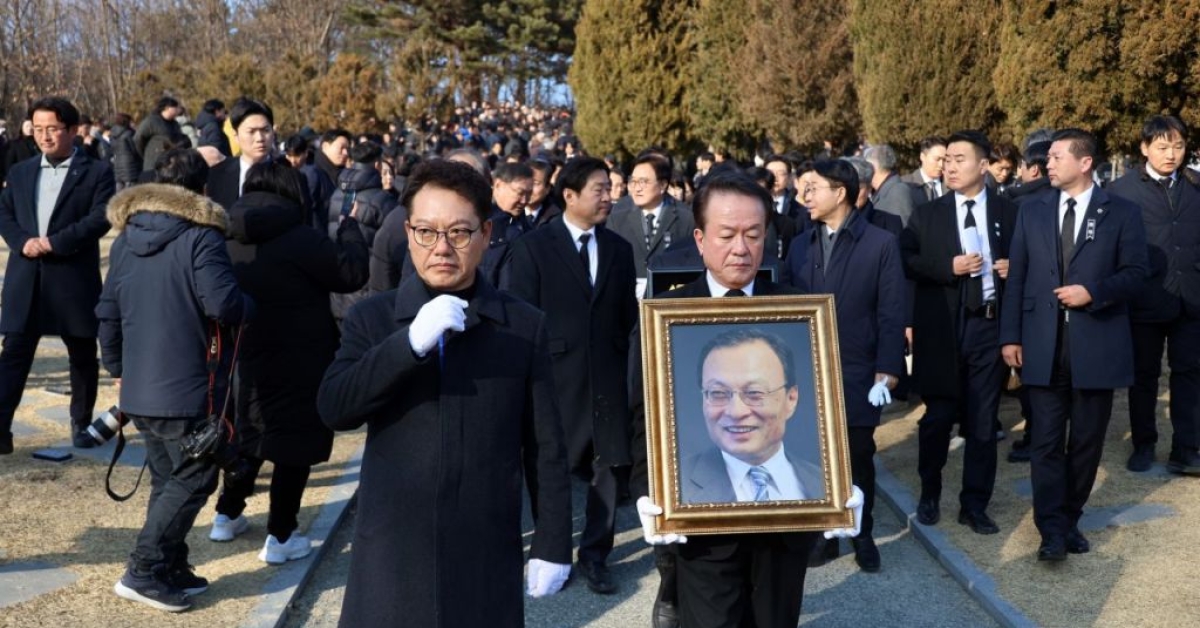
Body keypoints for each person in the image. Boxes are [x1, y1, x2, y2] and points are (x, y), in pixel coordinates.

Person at [317, 160, 572, 627]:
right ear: (408, 232)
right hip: (392, 549)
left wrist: (552, 542)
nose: (442, 248)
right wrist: (407, 345)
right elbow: (336, 407)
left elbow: (546, 447)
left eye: (458, 232)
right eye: (426, 232)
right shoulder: (373, 319)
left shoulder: (522, 325)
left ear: (485, 232)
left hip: (485, 545)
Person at [632, 171, 862, 628]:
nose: (741, 248)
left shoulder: (800, 311)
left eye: (754, 235)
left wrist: (837, 483)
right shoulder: (667, 318)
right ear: (699, 239)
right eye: (727, 235)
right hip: (702, 525)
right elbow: (644, 415)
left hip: (785, 527)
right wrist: (650, 490)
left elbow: (824, 403)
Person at [97, 148, 252, 611]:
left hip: (142, 387)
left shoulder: (126, 238)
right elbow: (223, 304)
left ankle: (170, 565)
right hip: (187, 385)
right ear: (203, 190)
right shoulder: (202, 237)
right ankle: (143, 569)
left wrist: (117, 368)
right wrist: (252, 306)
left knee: (169, 478)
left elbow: (107, 310)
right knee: (195, 477)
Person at [208, 160, 368, 561]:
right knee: (293, 444)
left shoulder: (222, 234)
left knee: (249, 435)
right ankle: (280, 535)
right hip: (301, 354)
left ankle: (226, 515)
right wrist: (349, 228)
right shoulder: (300, 237)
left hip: (242, 353)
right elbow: (350, 273)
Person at [1000, 128, 1148, 561]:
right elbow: (1019, 278)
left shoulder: (1121, 212)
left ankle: (1070, 519)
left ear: (1085, 163)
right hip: (1041, 345)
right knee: (1045, 441)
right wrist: (1010, 335)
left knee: (1086, 442)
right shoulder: (1032, 211)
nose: (1048, 163)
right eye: (1047, 157)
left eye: (1057, 156)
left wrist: (1094, 292)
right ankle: (1050, 530)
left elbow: (1138, 273)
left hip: (1096, 344)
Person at [507, 156, 637, 595]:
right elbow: (521, 317)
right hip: (555, 379)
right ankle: (552, 549)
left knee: (608, 469)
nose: (609, 196)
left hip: (606, 378)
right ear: (570, 196)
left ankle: (597, 556)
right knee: (551, 467)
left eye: (609, 188)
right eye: (600, 189)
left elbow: (623, 316)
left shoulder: (618, 249)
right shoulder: (533, 248)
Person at [786, 159, 906, 572]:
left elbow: (892, 310)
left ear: (840, 192)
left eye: (813, 187)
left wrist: (887, 368)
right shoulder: (801, 244)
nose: (804, 196)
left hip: (857, 368)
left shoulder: (880, 243)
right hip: (807, 370)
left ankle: (862, 531)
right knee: (814, 456)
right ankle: (824, 532)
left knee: (857, 456)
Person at [901, 130, 1018, 535]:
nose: (950, 166)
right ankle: (929, 492)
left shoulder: (1008, 211)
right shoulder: (927, 214)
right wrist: (945, 268)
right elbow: (907, 260)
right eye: (946, 159)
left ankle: (975, 504)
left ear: (983, 166)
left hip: (989, 325)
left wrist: (1011, 269)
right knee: (938, 418)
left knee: (984, 421)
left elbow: (1027, 259)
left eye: (959, 159)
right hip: (943, 330)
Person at [0, 97, 114, 454]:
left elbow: (100, 218)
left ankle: (81, 424)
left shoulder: (96, 172)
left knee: (81, 354)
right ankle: (1, 428)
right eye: (38, 129)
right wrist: (23, 242)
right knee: (14, 352)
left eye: (52, 129)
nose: (44, 137)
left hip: (72, 278)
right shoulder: (20, 171)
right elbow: (4, 214)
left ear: (71, 129)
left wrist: (55, 242)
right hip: (26, 276)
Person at [1108, 116, 1200, 475]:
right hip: (1144, 298)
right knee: (1144, 376)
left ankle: (1186, 447)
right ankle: (1144, 443)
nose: (1171, 154)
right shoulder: (1121, 191)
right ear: (1144, 148)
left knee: (1189, 373)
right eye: (1162, 147)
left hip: (1191, 298)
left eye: (1178, 146)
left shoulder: (1195, 185)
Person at [680, 329, 826, 504]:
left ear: (791, 399)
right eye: (718, 393)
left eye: (754, 393)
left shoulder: (826, 484)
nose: (736, 412)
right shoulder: (674, 486)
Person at [607, 153, 695, 296]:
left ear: (662, 185)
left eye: (643, 182)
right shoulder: (618, 216)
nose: (637, 188)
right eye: (633, 182)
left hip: (670, 298)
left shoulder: (685, 218)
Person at [207, 98, 276, 212]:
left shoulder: (291, 176)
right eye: (251, 132)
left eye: (265, 130)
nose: (260, 138)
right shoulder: (217, 174)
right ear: (236, 136)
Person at [135, 96, 190, 174]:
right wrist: (147, 154)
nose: (178, 110)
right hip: (153, 165)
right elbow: (138, 138)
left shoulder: (175, 124)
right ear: (167, 108)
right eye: (176, 107)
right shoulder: (151, 121)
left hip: (171, 165)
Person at [902, 136, 949, 206]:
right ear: (922, 157)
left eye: (945, 160)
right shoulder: (904, 184)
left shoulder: (952, 185)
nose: (941, 165)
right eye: (937, 159)